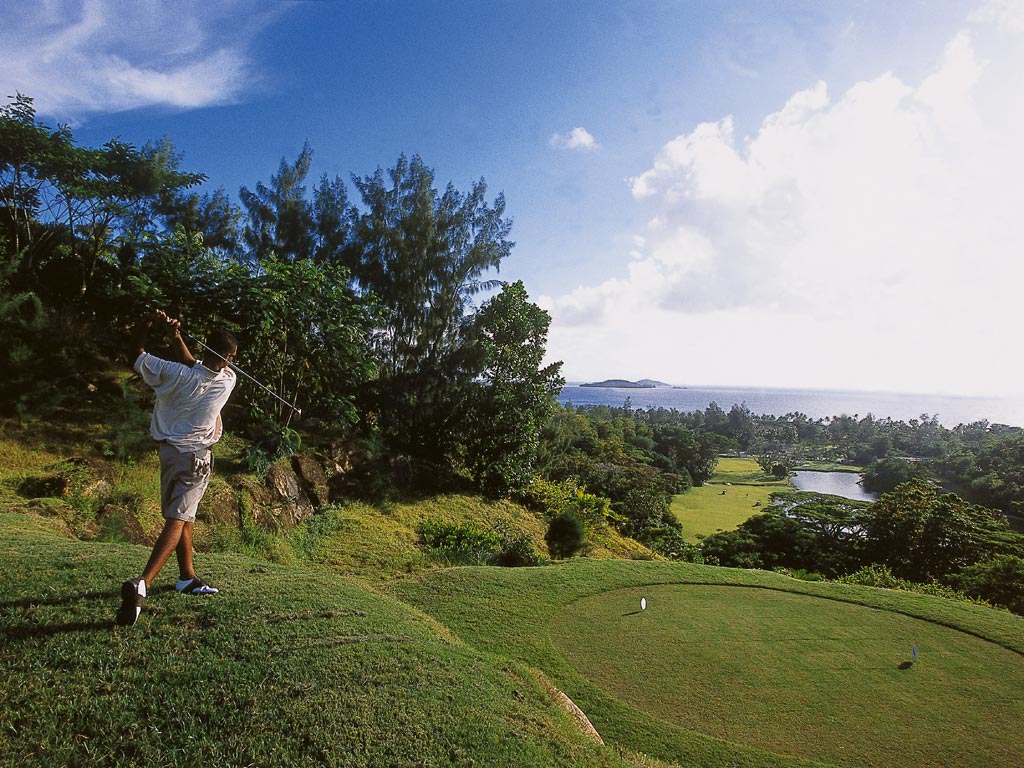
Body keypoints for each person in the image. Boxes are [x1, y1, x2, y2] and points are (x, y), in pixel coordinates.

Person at [116, 309, 238, 626]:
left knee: (183, 515)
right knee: (177, 518)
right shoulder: (228, 380)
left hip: (168, 455)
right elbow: (196, 366)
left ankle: (187, 577)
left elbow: (138, 354)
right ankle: (143, 584)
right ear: (227, 357)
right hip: (196, 459)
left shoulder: (171, 373)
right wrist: (175, 337)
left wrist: (146, 323)